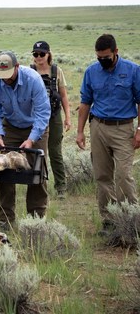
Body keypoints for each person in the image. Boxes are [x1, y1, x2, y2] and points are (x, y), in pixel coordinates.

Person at [76, 34, 140, 235]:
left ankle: (132, 220)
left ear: (116, 52)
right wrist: (80, 132)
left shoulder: (133, 70)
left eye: (106, 57)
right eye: (99, 58)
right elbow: (85, 102)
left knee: (123, 176)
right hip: (99, 127)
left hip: (124, 129)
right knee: (102, 176)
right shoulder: (91, 72)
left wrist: (139, 131)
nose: (102, 61)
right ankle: (109, 221)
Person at [0, 51, 51, 229]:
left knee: (36, 171)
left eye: (8, 75)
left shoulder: (33, 79)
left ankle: (36, 219)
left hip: (35, 126)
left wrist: (31, 140)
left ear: (17, 66)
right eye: (2, 76)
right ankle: (5, 219)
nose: (5, 79)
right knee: (3, 170)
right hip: (11, 126)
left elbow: (42, 113)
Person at [31, 41, 71, 199]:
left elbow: (63, 96)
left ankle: (61, 187)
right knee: (38, 152)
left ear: (48, 54)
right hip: (34, 118)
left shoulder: (56, 71)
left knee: (55, 152)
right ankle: (37, 184)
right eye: (36, 54)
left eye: (42, 54)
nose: (39, 57)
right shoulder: (30, 71)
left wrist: (68, 117)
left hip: (54, 117)